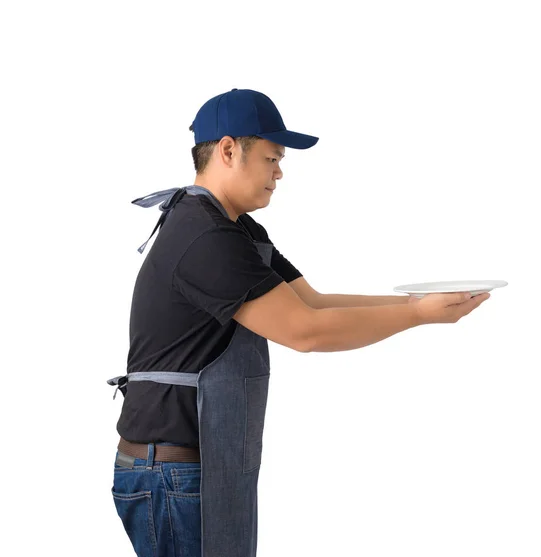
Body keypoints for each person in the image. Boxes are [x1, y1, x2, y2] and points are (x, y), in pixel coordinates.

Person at [107, 88, 491, 557]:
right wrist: (417, 317)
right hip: (173, 471)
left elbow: (312, 302)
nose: (280, 172)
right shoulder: (205, 236)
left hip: (196, 465)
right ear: (229, 150)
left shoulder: (238, 230)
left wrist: (419, 303)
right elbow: (305, 332)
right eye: (271, 157)